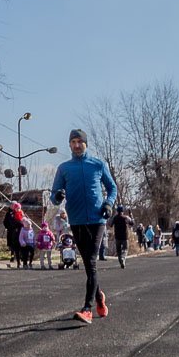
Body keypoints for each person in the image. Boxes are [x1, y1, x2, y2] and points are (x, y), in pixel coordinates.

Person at [51, 128, 117, 324]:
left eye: (80, 141)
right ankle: (99, 297)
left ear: (86, 144)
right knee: (89, 264)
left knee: (91, 261)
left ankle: (87, 308)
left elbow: (112, 187)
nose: (77, 145)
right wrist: (58, 196)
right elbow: (54, 195)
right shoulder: (64, 168)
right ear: (70, 145)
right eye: (73, 142)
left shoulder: (98, 164)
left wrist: (108, 204)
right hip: (77, 220)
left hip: (98, 219)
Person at [3, 202, 24, 268]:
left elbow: (25, 222)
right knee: (14, 246)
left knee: (22, 247)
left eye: (19, 208)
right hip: (14, 232)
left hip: (22, 232)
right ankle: (15, 259)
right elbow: (8, 222)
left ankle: (22, 260)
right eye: (17, 208)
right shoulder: (11, 214)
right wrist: (8, 228)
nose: (18, 209)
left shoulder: (22, 214)